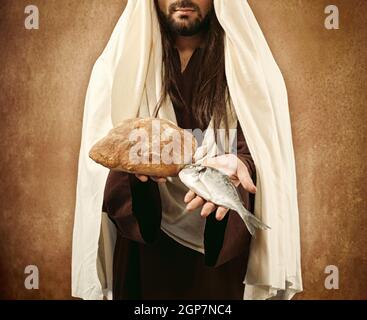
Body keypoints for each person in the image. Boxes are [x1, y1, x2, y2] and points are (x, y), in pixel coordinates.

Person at [102, 0, 257, 300]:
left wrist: (241, 165)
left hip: (215, 255)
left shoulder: (244, 64)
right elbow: (105, 151)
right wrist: (136, 166)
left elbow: (262, 145)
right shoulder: (124, 63)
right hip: (143, 256)